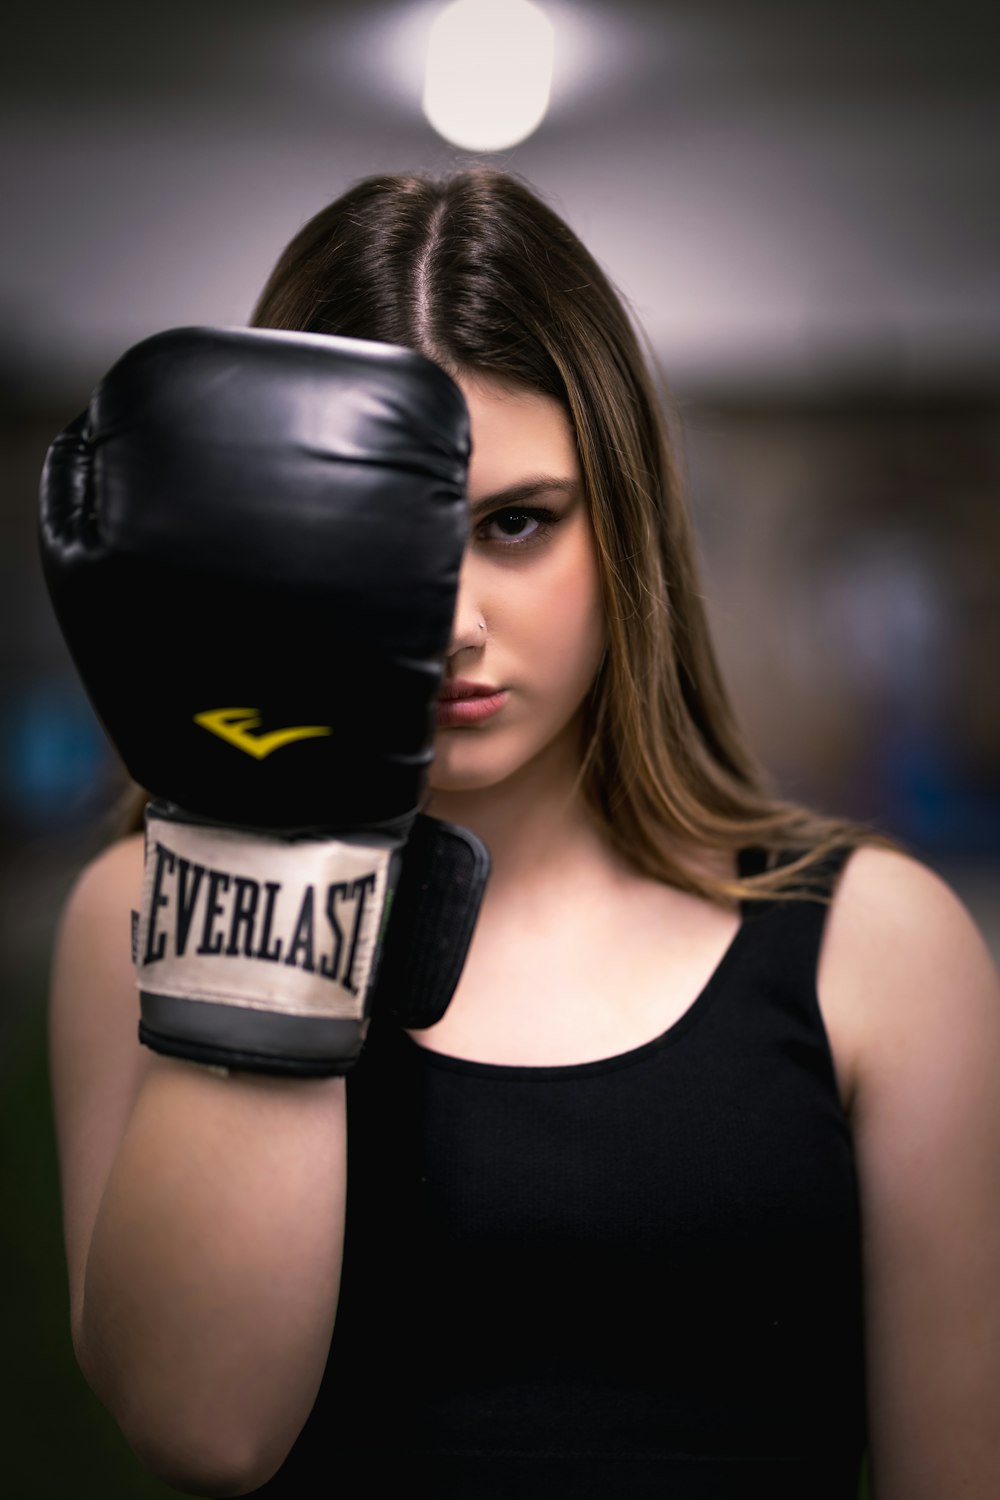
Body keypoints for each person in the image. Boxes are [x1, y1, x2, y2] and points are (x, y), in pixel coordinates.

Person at [43, 168, 1000, 1500]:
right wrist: (275, 830)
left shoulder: (884, 946)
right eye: (392, 537)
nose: (454, 621)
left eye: (516, 524)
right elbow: (205, 1431)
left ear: (628, 527)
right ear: (268, 538)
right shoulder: (144, 908)